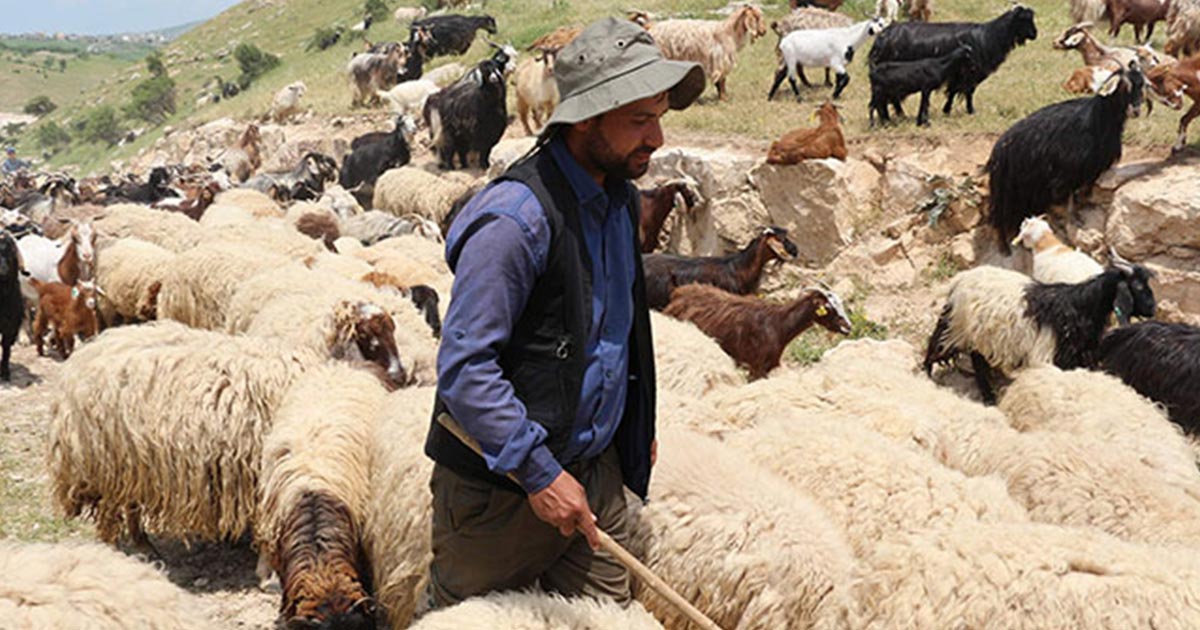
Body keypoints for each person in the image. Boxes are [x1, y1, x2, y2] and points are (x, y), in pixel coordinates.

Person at [424, 17, 704, 610]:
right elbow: (467, 368)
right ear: (584, 120)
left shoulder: (620, 198)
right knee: (468, 622)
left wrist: (634, 423)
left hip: (594, 474)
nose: (656, 138)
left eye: (658, 116)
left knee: (605, 617)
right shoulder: (514, 221)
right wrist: (537, 472)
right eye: (638, 120)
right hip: (502, 492)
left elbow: (615, 328)